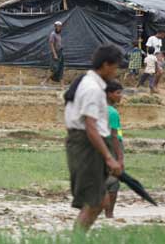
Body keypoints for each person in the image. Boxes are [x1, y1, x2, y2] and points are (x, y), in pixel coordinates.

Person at [63, 44, 123, 231]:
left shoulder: (86, 82)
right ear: (106, 65)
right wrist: (109, 158)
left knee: (99, 200)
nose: (116, 72)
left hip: (87, 143)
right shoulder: (92, 89)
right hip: (88, 145)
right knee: (95, 202)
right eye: (115, 67)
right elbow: (91, 127)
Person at [104, 79, 124, 218]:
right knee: (113, 182)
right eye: (118, 93)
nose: (120, 96)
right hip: (111, 147)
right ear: (109, 94)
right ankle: (109, 214)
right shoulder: (112, 112)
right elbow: (115, 136)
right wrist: (120, 157)